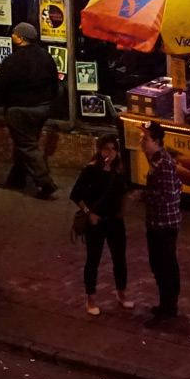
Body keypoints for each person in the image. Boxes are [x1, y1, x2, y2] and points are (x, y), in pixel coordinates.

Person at [0, 22, 60, 198]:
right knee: (25, 141)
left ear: (20, 38)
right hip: (42, 107)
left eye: (14, 34)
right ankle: (17, 177)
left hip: (20, 109)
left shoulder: (14, 60)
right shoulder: (45, 56)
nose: (12, 36)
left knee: (27, 145)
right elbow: (55, 83)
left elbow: (1, 85)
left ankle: (45, 183)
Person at [71, 133, 132, 316]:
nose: (111, 152)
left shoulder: (119, 170)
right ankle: (91, 299)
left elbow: (122, 193)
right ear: (100, 150)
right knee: (93, 259)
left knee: (119, 258)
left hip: (114, 219)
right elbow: (76, 195)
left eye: (114, 149)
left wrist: (122, 213)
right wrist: (90, 214)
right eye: (107, 148)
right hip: (96, 220)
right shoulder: (91, 170)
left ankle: (121, 294)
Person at [140, 119, 184, 321]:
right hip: (156, 222)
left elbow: (170, 194)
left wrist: (144, 195)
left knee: (165, 265)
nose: (141, 141)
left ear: (156, 141)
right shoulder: (155, 160)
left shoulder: (163, 164)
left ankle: (169, 307)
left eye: (145, 138)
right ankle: (165, 304)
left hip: (164, 225)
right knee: (158, 264)